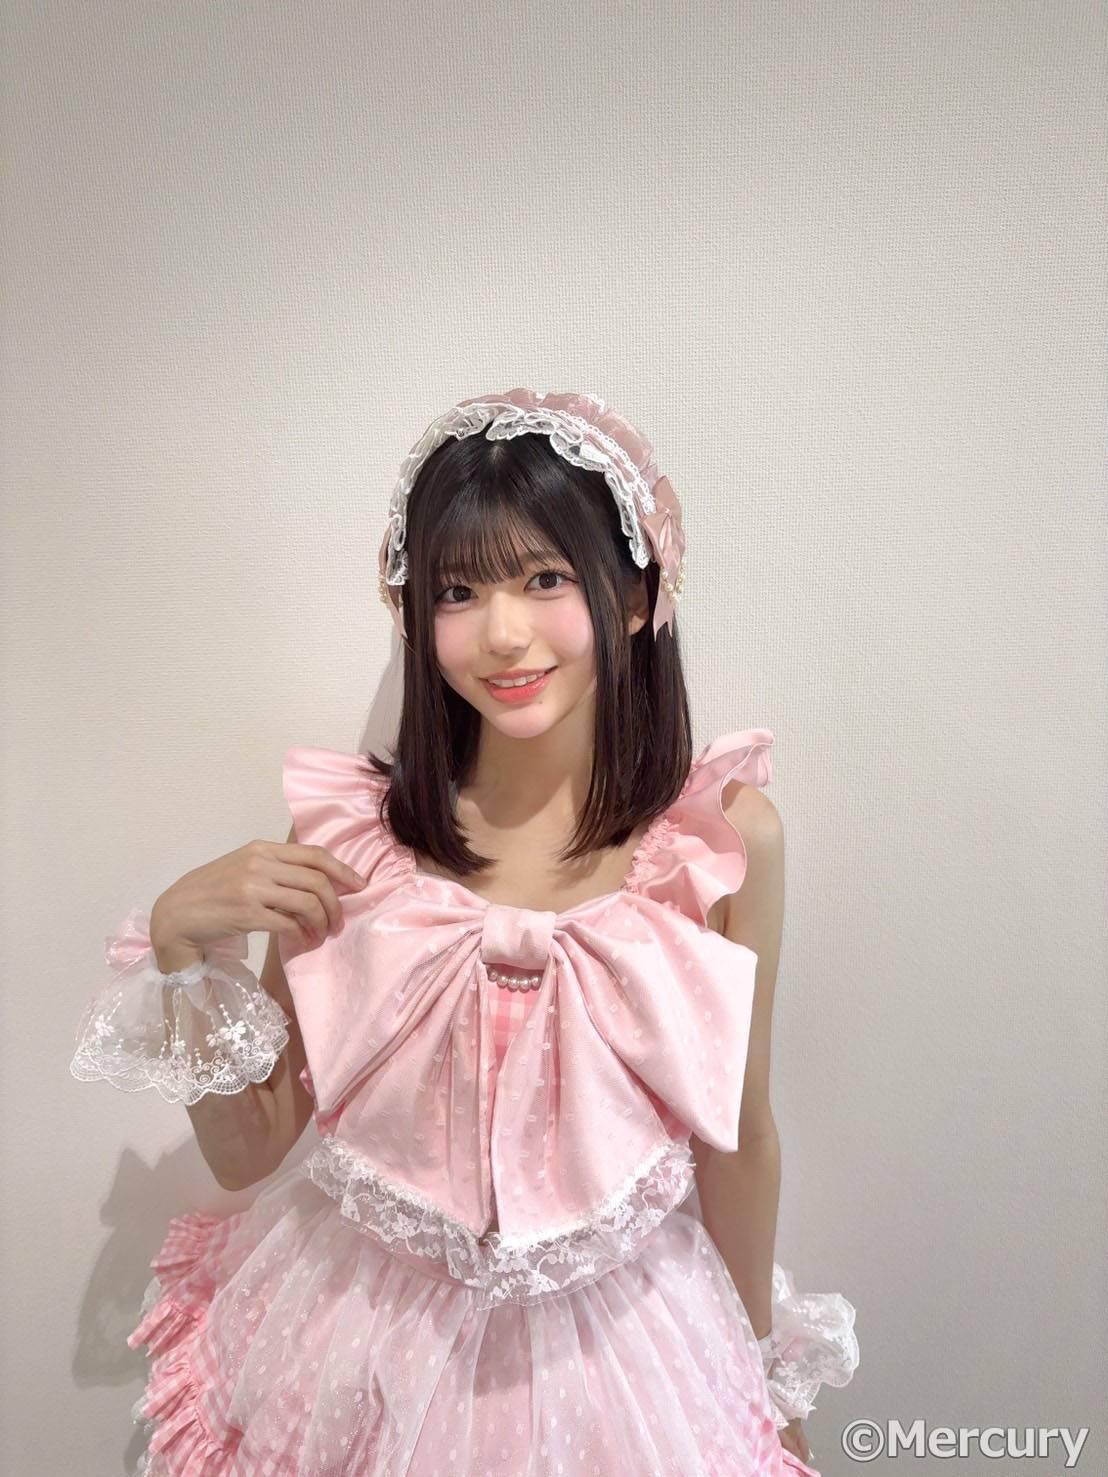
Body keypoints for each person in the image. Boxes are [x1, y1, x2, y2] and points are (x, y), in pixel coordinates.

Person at [71, 388, 859, 1476]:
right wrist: (183, 953)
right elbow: (249, 1148)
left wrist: (761, 1371)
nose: (501, 632)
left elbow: (741, 1134)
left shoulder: (717, 845)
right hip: (359, 1346)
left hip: (624, 1360)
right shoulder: (351, 844)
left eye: (544, 577)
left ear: (637, 595)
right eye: (458, 588)